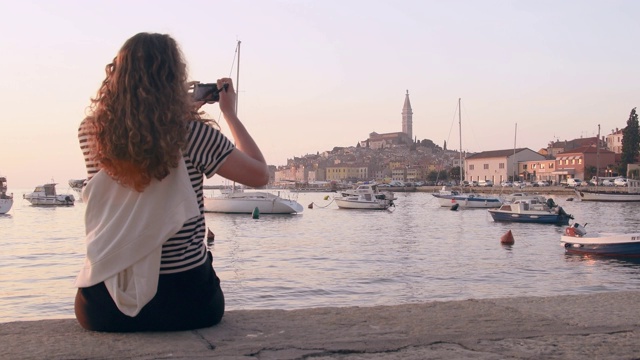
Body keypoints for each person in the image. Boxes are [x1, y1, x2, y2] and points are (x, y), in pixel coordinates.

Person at [74, 32, 269, 332]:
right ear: (174, 79)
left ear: (117, 75)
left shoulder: (91, 133)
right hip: (185, 302)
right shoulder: (192, 134)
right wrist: (229, 114)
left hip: (103, 306)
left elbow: (142, 141)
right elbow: (260, 175)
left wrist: (179, 113)